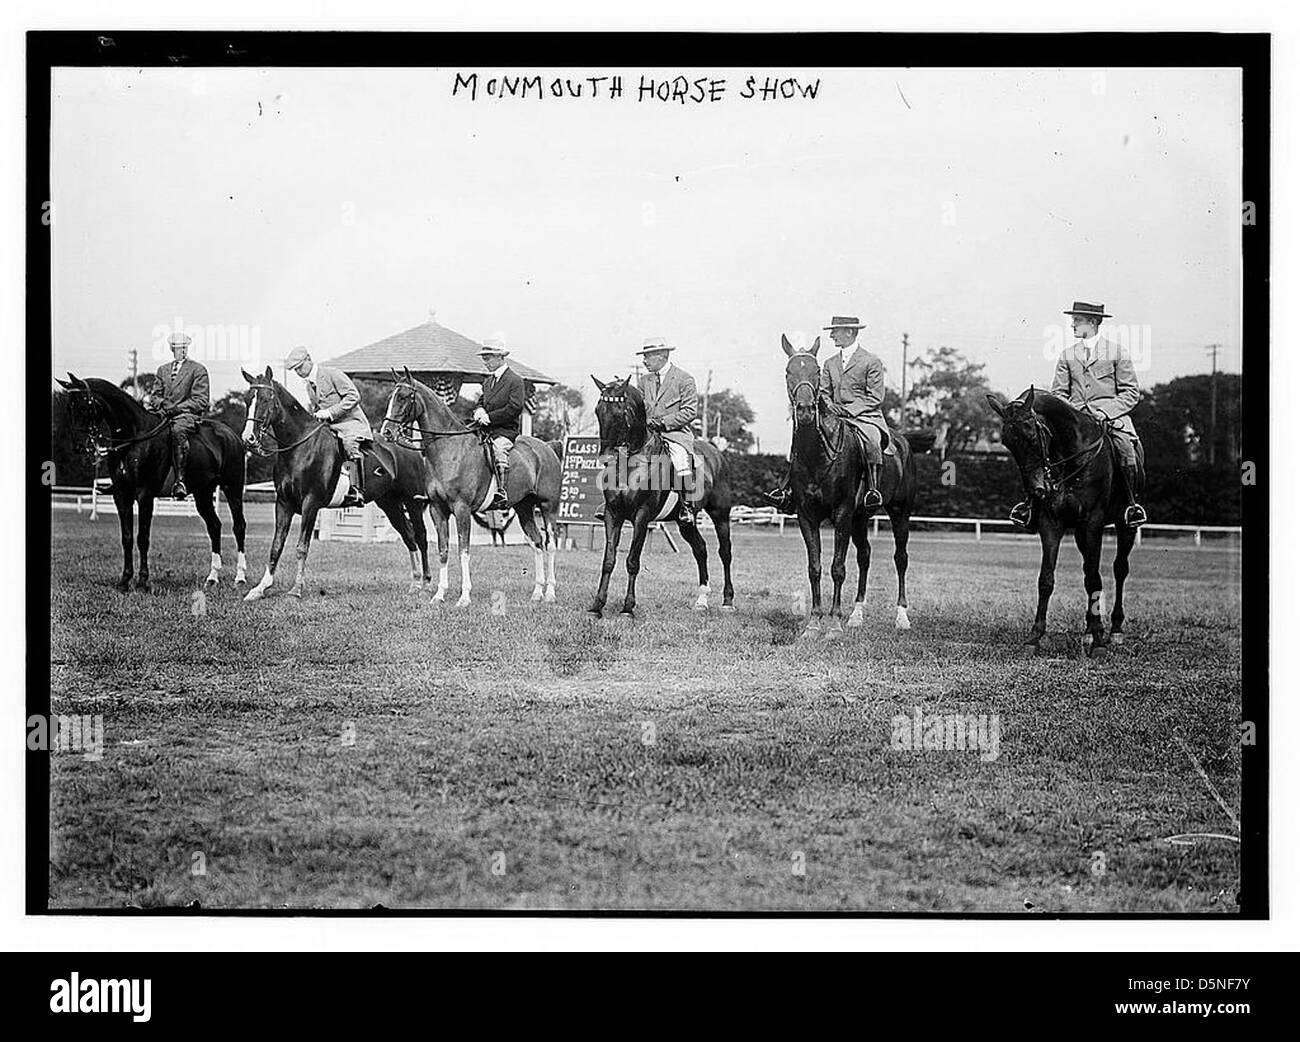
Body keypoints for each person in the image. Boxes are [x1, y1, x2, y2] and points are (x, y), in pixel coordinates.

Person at [1009, 301, 1147, 530]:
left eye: (1077, 320)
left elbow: (1131, 393)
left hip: (1110, 417)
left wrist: (1104, 411)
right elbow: (1059, 393)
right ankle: (1029, 507)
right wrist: (1071, 413)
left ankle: (1131, 505)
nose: (1072, 324)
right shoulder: (1067, 355)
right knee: (1042, 450)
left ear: (1092, 322)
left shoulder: (1117, 352)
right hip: (1074, 419)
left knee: (1125, 448)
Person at [765, 315, 886, 512]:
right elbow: (824, 391)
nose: (831, 335)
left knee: (872, 441)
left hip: (865, 416)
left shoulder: (871, 361)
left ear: (849, 332)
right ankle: (787, 490)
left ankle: (872, 490)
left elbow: (876, 397)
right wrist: (830, 405)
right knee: (803, 437)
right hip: (835, 415)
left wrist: (849, 410)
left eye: (835, 331)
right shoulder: (830, 363)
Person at [285, 346, 370, 508]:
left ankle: (356, 488)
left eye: (300, 367)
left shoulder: (332, 374)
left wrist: (330, 412)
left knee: (348, 443)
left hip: (351, 423)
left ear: (309, 359)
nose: (299, 372)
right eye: (295, 370)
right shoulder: (309, 386)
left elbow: (354, 396)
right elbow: (318, 409)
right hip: (330, 426)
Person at [637, 338, 700, 525]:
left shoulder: (684, 379)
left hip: (674, 433)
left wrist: (663, 423)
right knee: (623, 455)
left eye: (647, 357)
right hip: (648, 434)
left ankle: (687, 505)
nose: (644, 361)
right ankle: (613, 502)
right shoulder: (643, 380)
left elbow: (690, 411)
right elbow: (640, 408)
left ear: (661, 356)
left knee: (680, 457)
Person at [155, 332, 210, 500]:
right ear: (172, 349)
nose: (183, 351)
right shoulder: (162, 370)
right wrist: (163, 404)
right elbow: (155, 395)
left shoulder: (198, 369)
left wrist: (177, 407)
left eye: (185, 348)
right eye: (179, 348)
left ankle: (180, 480)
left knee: (177, 431)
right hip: (163, 414)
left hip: (186, 416)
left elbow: (201, 399)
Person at [473, 338, 525, 512]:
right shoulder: (488, 382)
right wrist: (479, 410)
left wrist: (491, 417)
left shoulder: (515, 380)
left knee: (498, 450)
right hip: (485, 430)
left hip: (504, 431)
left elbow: (514, 408)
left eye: (488, 358)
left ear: (500, 357)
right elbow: (481, 401)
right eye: (484, 358)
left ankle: (501, 491)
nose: (485, 362)